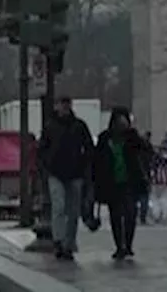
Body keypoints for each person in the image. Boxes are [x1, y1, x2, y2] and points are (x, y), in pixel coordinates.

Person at [38, 96, 96, 260]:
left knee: (72, 211)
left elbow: (89, 148)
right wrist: (46, 167)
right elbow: (41, 149)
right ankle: (59, 241)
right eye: (62, 105)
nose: (64, 108)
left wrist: (85, 165)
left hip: (75, 173)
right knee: (59, 205)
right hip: (56, 172)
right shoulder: (51, 127)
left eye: (66, 105)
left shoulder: (78, 126)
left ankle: (68, 243)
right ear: (57, 107)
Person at [93, 107, 150, 259]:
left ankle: (128, 244)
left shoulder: (132, 137)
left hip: (130, 180)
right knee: (116, 215)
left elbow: (146, 149)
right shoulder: (105, 138)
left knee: (131, 214)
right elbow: (97, 160)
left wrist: (133, 134)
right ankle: (119, 246)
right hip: (111, 181)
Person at [138, 130, 155, 224]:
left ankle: (138, 216)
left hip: (138, 175)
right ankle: (142, 217)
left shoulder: (136, 149)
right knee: (144, 197)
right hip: (145, 175)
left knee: (137, 197)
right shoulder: (149, 149)